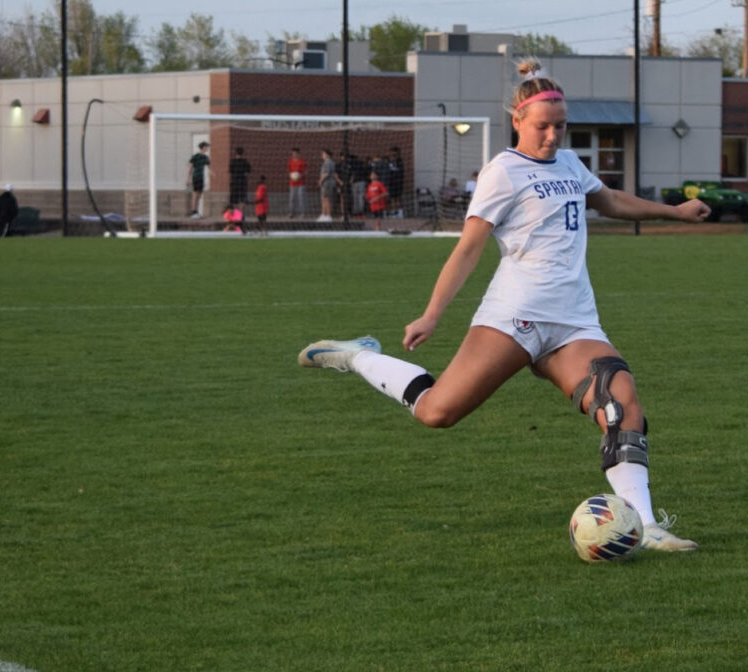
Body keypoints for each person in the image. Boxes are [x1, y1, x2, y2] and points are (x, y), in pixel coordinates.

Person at [298, 58, 710, 554]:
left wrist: (673, 212)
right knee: (437, 412)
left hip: (574, 322)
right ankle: (358, 356)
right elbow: (468, 248)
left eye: (561, 126)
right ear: (518, 119)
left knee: (619, 399)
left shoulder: (570, 164)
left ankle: (644, 524)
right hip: (515, 318)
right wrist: (432, 314)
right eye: (543, 127)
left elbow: (611, 201)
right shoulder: (503, 172)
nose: (553, 136)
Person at [186, 142, 211, 218]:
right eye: (206, 147)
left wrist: (211, 174)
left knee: (199, 195)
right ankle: (193, 212)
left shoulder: (206, 157)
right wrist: (187, 179)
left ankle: (197, 211)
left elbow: (209, 167)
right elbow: (190, 168)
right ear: (203, 147)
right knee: (195, 194)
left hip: (201, 178)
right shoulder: (195, 156)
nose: (207, 148)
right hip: (196, 177)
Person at [318, 149, 339, 222]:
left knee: (326, 199)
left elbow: (326, 173)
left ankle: (328, 215)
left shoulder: (329, 163)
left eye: (323, 154)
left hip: (327, 183)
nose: (322, 155)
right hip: (326, 183)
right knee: (323, 198)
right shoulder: (328, 163)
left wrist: (320, 180)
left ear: (327, 155)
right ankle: (324, 214)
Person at [287, 148, 307, 219]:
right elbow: (289, 171)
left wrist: (299, 176)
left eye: (295, 153)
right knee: (292, 198)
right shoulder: (290, 162)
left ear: (298, 154)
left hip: (301, 183)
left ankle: (302, 213)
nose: (294, 155)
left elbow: (305, 172)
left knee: (301, 198)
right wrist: (291, 175)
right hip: (292, 183)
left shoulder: (302, 162)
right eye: (293, 153)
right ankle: (291, 213)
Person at [386, 146, 405, 216]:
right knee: (392, 198)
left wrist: (395, 161)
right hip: (391, 182)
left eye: (394, 154)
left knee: (398, 198)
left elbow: (401, 172)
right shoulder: (388, 161)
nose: (392, 155)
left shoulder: (399, 162)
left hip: (398, 182)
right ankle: (394, 212)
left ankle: (400, 213)